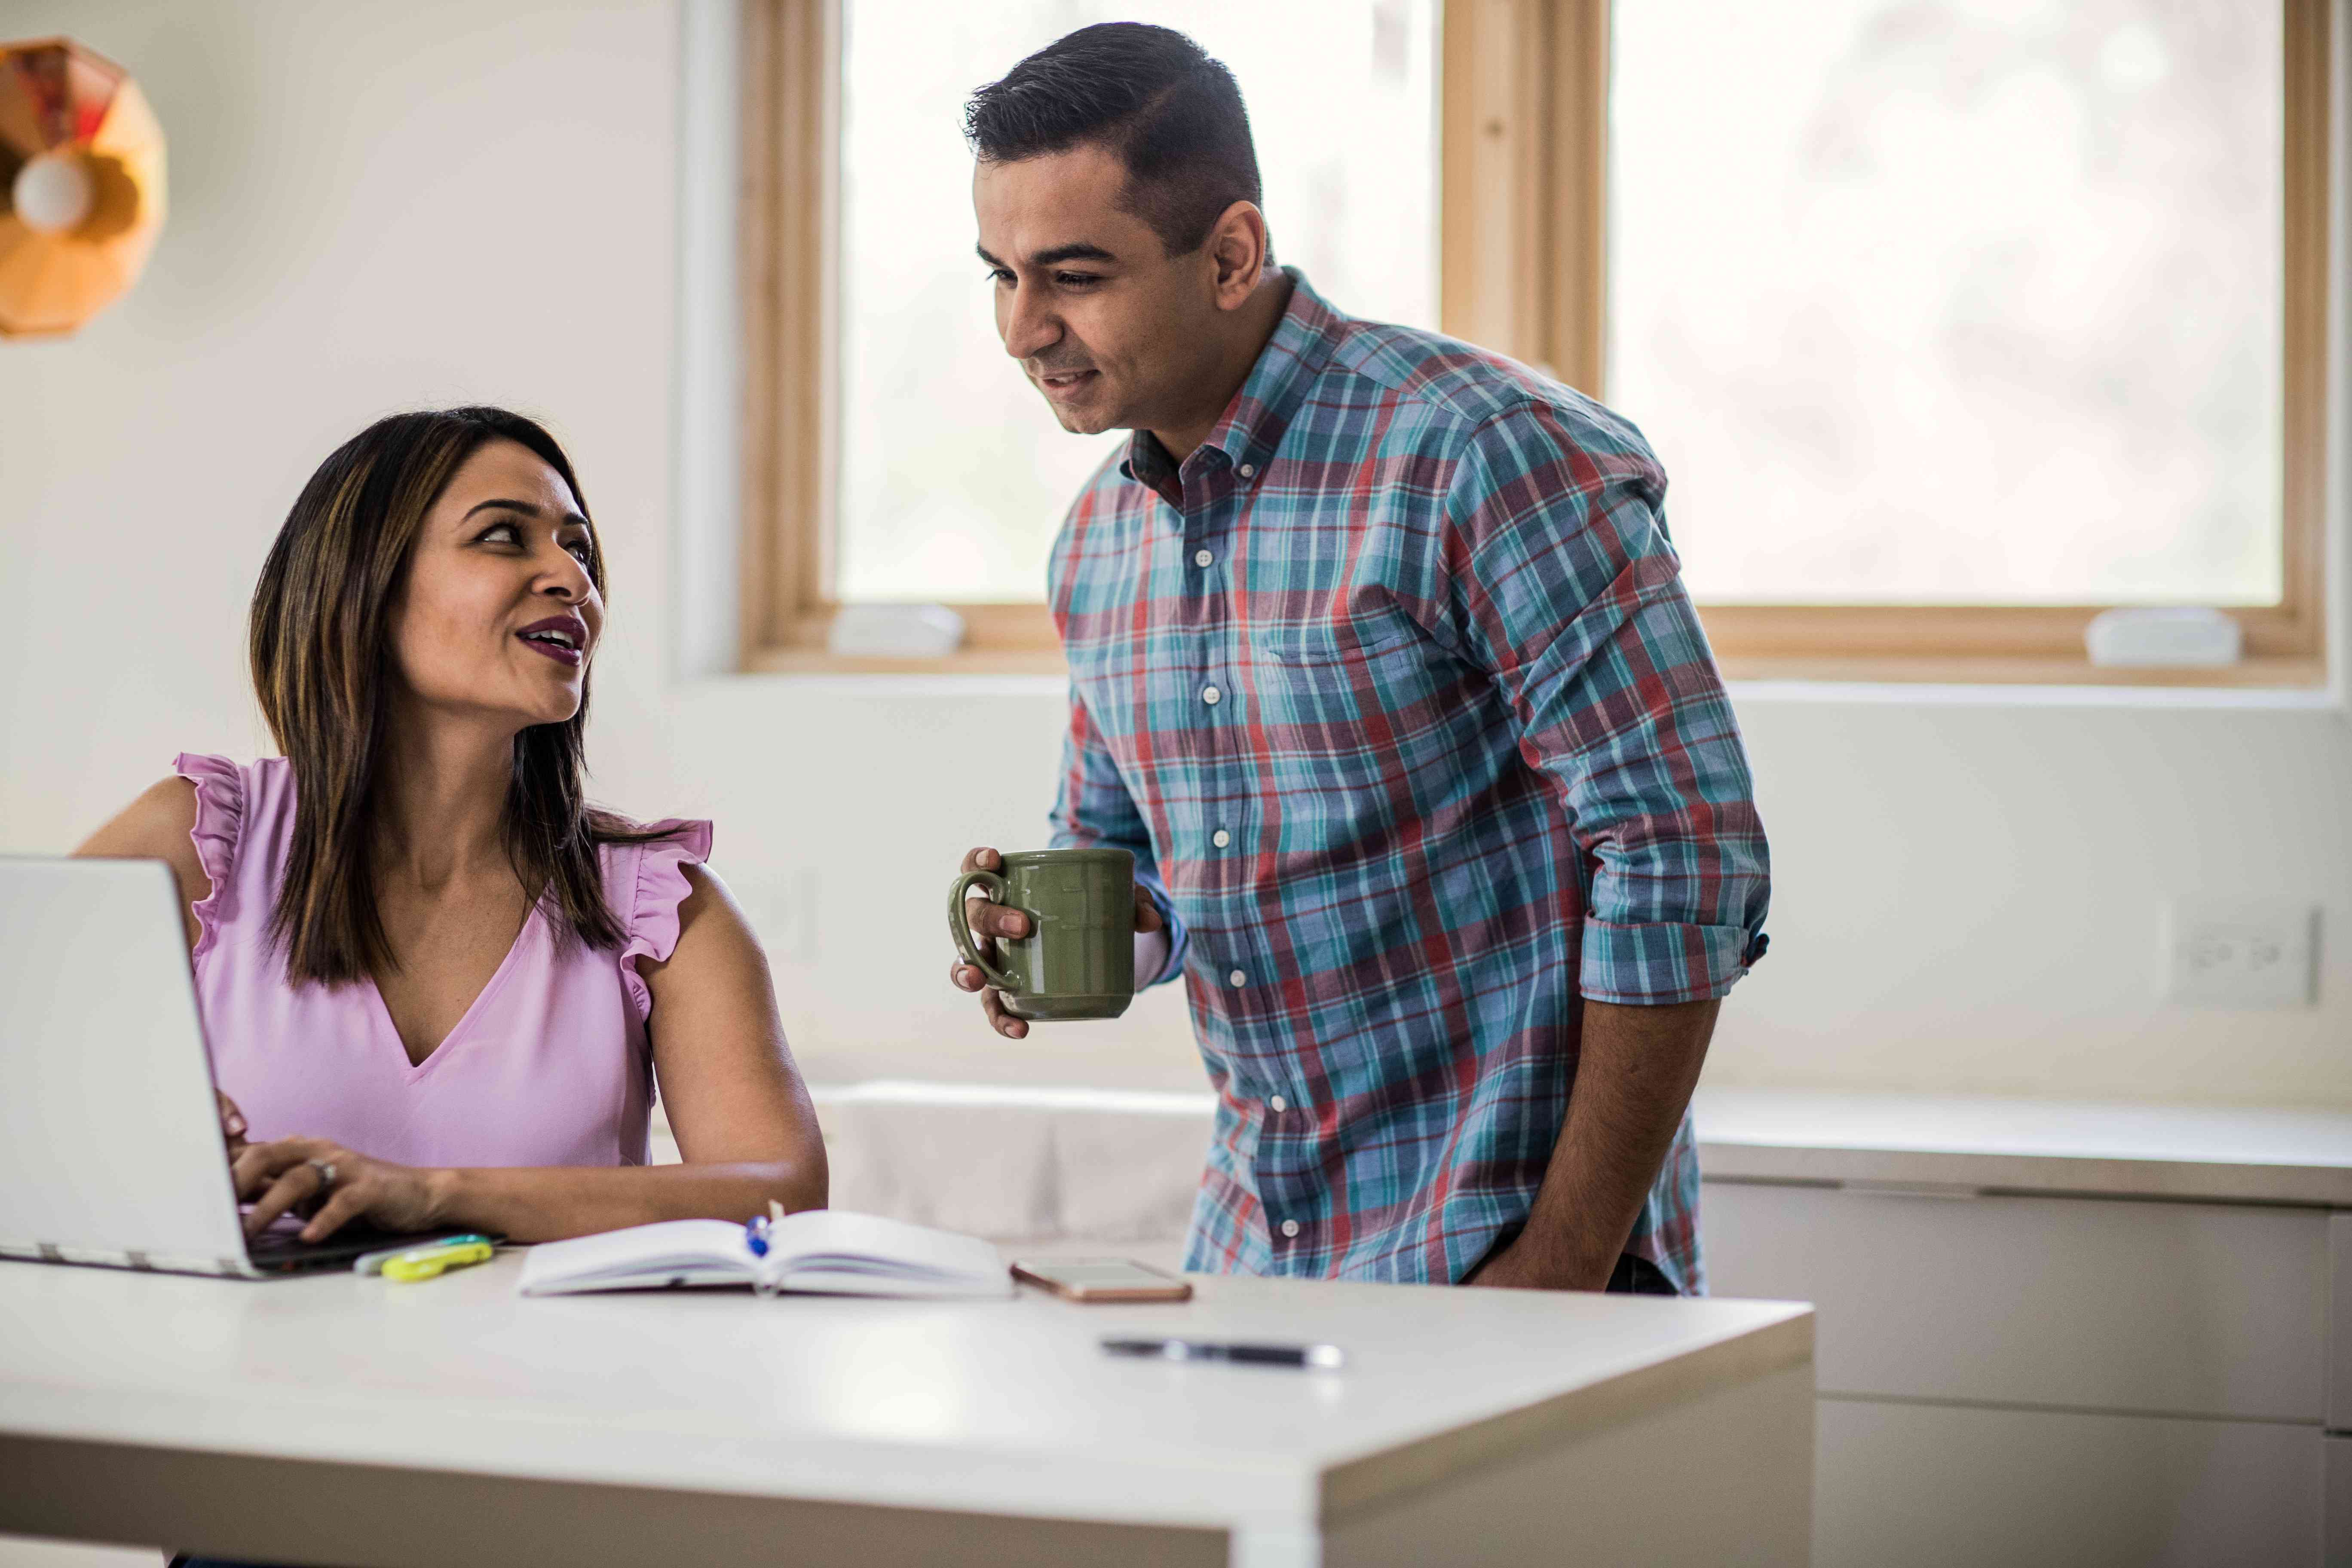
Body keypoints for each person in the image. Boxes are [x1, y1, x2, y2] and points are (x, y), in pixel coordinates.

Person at [948, 25, 1769, 1295]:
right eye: (999, 274)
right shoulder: (1099, 544)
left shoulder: (1480, 452)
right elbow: (1140, 867)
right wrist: (1064, 941)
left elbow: (1683, 848)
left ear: (1229, 254)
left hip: (1512, 1268)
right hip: (1251, 1269)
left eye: (1073, 276)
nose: (1022, 327)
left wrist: (1561, 1260)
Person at [77, 407, 827, 1252]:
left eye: (577, 548)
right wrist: (125, 1127)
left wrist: (431, 1195)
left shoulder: (661, 906)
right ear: (364, 581)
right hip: (223, 1379)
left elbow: (782, 1192)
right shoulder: (194, 845)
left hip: (561, 1382)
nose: (573, 579)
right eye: (505, 537)